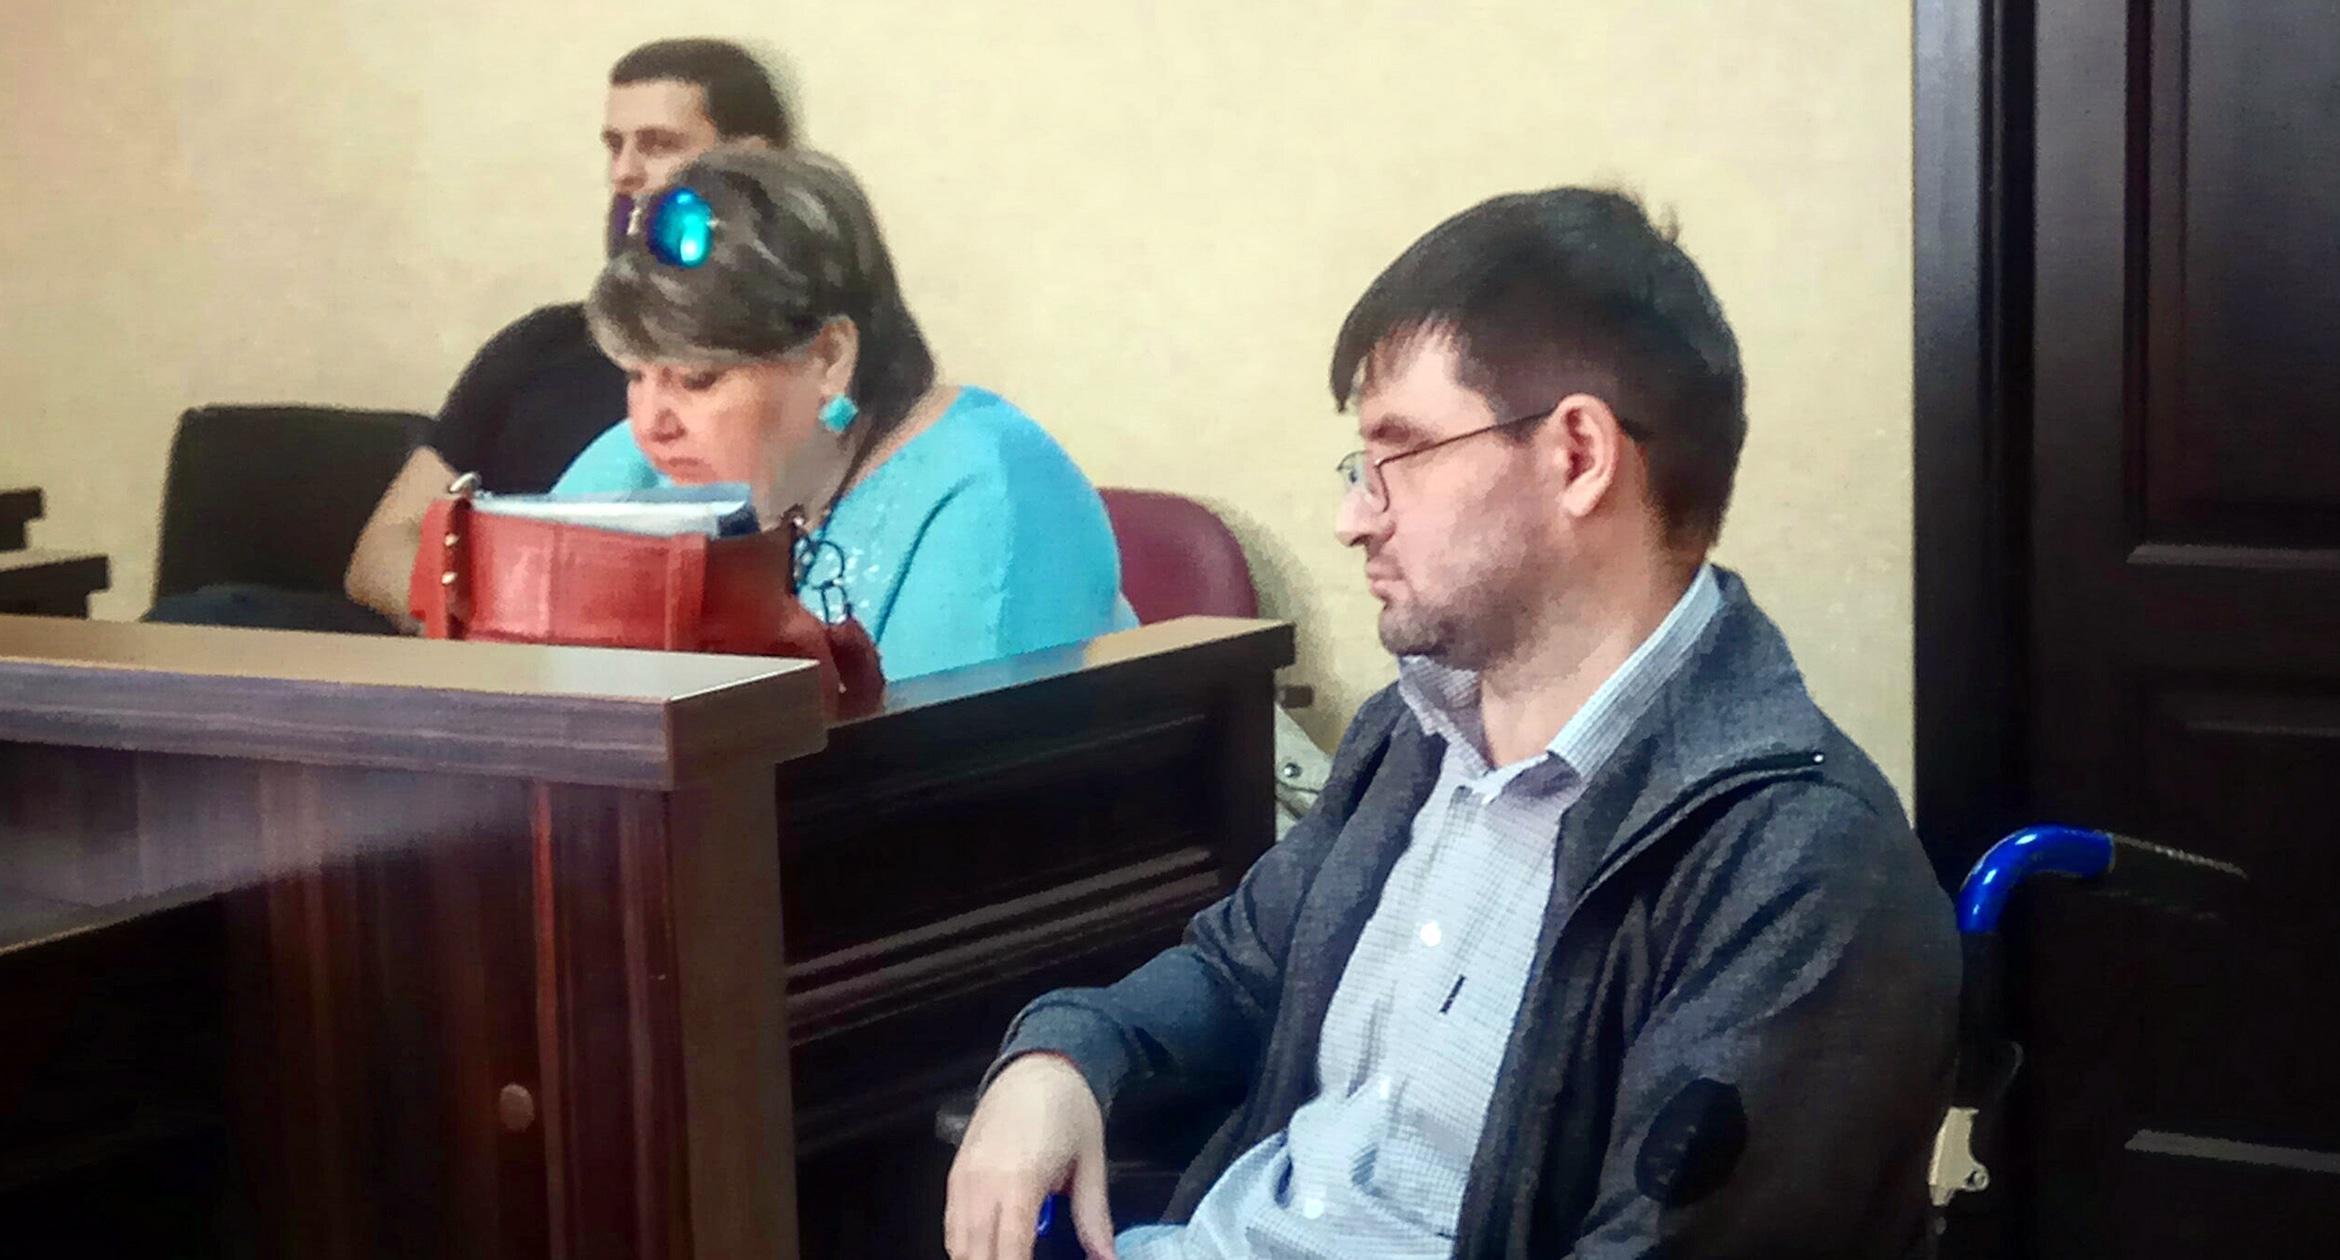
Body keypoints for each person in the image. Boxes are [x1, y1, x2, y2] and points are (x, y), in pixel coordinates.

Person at [944, 188, 1960, 1259]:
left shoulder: (1797, 867)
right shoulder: (1417, 732)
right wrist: (1062, 1056)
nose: (1353, 517)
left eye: (1400, 455)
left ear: (1578, 456)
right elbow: (1241, 969)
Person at [143, 38, 791, 631]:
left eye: (658, 144)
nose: (623, 173)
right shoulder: (541, 346)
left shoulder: (786, 369)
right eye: (613, 145)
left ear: (754, 163)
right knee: (204, 620)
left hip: (648, 663)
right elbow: (380, 552)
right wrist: (490, 622)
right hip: (466, 652)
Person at [559, 145, 1133, 679]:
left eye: (697, 380)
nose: (652, 424)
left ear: (829, 359)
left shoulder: (993, 488)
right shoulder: (634, 465)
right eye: (636, 375)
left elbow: (966, 753)